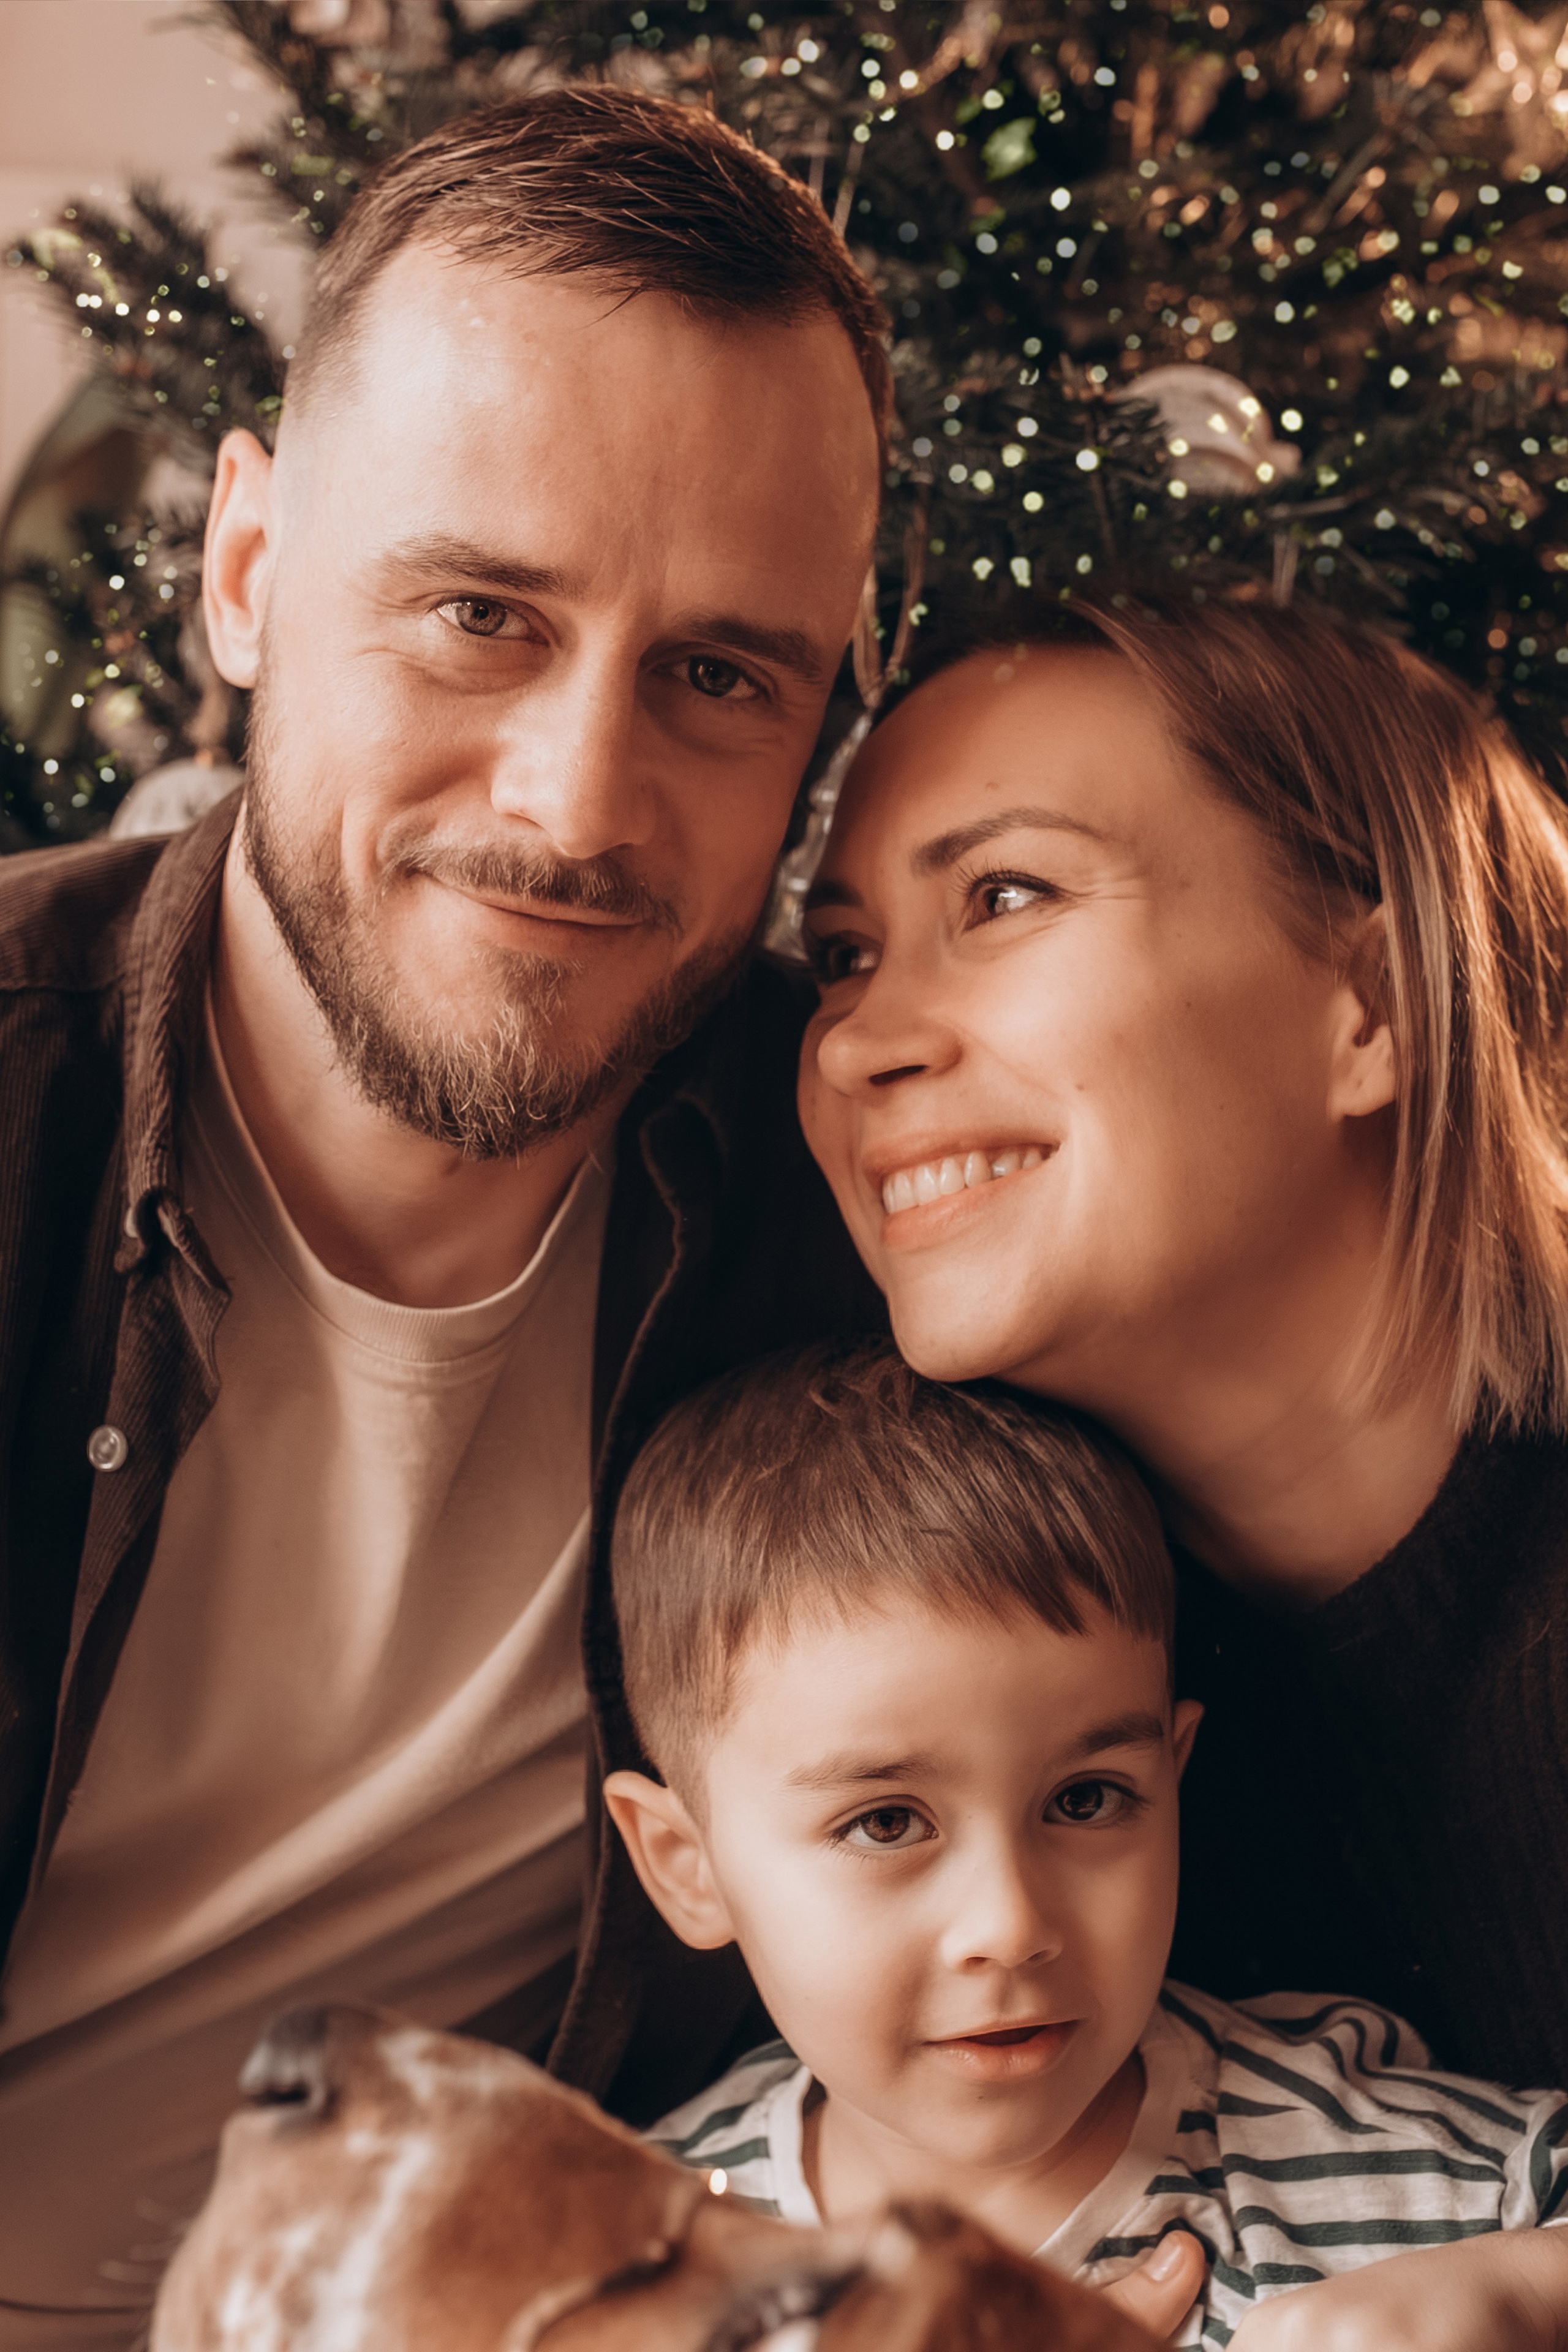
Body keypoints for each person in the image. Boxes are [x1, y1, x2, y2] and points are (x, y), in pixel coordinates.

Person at [0, 86, 891, 2337]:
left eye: (715, 675)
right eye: (480, 615)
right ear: (244, 571)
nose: (579, 803)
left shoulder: (876, 1210)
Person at [794, 594, 1568, 2108]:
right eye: (840, 953)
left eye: (1005, 897)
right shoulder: (1039, 1708)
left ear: (1376, 1005)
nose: (848, 1039)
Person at [603, 1340, 1568, 2351]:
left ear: (1175, 1779)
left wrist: (1526, 2290)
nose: (1010, 1926)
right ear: (687, 1865)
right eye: (886, 1823)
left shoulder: (1393, 2174)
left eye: (1087, 1799)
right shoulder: (619, 2264)